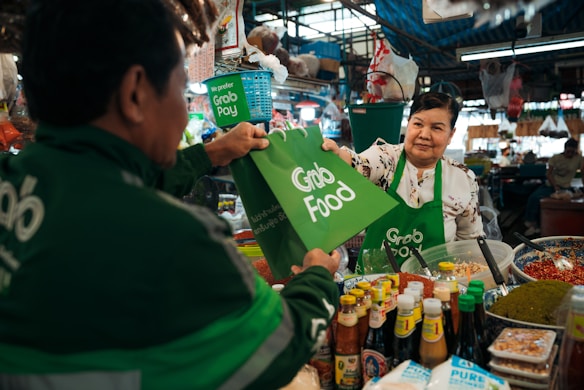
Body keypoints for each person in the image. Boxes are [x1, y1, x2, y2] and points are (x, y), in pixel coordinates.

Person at [0, 1, 340, 389]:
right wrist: (316, 278)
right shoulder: (177, 240)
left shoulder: (15, 182)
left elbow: (99, 189)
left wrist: (212, 152)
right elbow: (278, 347)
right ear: (135, 94)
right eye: (180, 86)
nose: (183, 112)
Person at [323, 92, 484, 268]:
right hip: (374, 287)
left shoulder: (462, 178)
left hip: (436, 289)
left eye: (436, 128)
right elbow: (359, 164)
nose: (424, 134)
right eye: (418, 124)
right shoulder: (386, 158)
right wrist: (337, 154)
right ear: (408, 124)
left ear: (451, 134)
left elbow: (471, 243)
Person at [524, 137, 584, 236]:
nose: (570, 154)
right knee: (534, 198)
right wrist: (555, 186)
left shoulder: (578, 159)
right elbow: (549, 174)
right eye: (568, 151)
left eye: (572, 152)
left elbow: (583, 173)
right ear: (565, 149)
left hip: (566, 187)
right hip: (551, 185)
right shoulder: (556, 158)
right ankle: (532, 223)